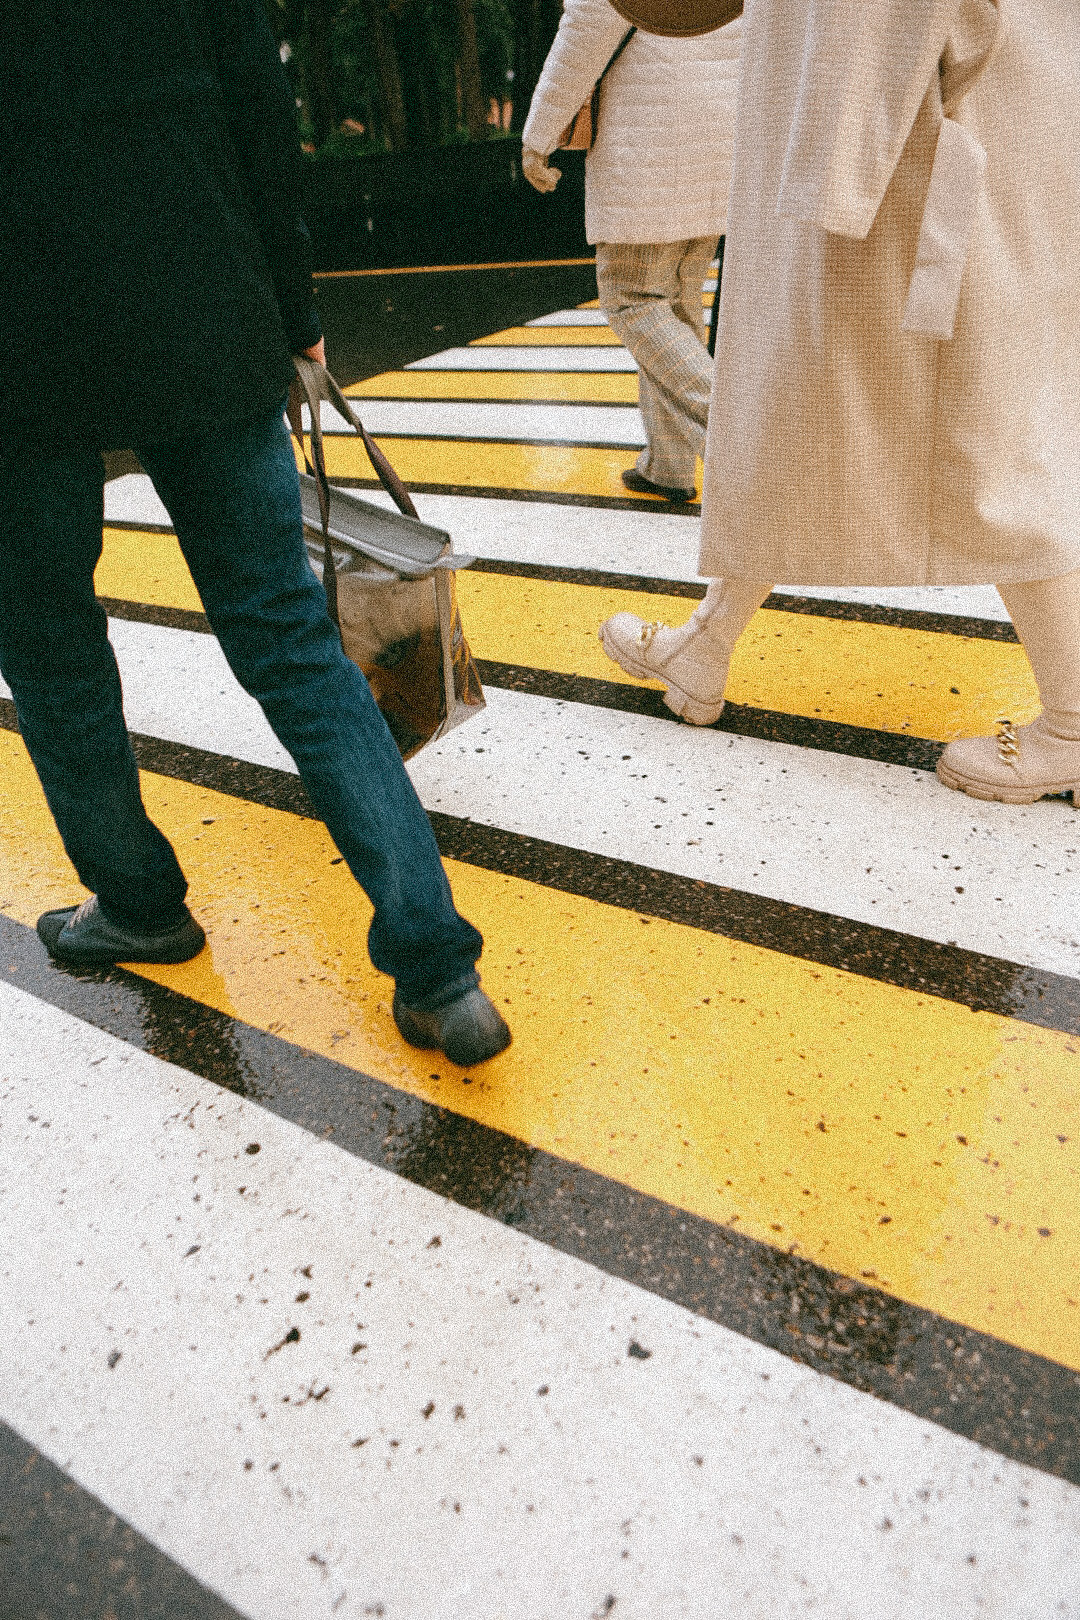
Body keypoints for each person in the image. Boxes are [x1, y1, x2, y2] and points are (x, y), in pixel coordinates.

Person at [0, 2, 511, 1066]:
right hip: (203, 306)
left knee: (48, 646)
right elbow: (259, 119)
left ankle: (139, 900)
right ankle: (437, 969)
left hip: (19, 344)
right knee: (288, 639)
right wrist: (294, 306)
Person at [600, 0, 1080, 806]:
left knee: (984, 437)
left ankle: (1073, 723)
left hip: (903, 147)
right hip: (963, 120)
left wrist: (831, 175)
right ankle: (706, 645)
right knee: (801, 417)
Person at [521, 0, 741, 505]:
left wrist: (539, 135)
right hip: (720, 130)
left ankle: (739, 435)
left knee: (633, 299)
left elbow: (588, 28)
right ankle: (667, 465)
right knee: (678, 306)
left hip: (651, 133)